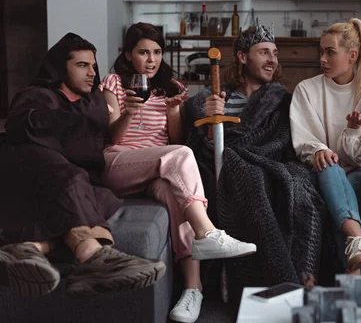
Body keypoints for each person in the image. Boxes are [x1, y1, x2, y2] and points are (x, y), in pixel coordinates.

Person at [101, 22, 256, 323]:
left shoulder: (170, 88)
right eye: (143, 52)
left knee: (176, 194)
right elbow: (112, 138)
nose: (151, 59)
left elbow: (172, 142)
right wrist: (129, 113)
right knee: (183, 157)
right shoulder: (114, 83)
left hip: (156, 169)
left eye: (157, 52)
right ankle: (208, 232)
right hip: (119, 163)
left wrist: (173, 112)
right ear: (128, 55)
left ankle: (192, 289)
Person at [0, 33, 165, 299]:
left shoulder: (93, 103)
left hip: (74, 181)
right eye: (82, 65)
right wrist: (90, 115)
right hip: (30, 172)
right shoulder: (37, 96)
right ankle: (93, 255)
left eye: (93, 66)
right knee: (72, 177)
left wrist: (118, 114)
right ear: (60, 67)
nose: (92, 73)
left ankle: (31, 247)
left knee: (102, 196)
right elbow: (23, 129)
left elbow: (98, 148)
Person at [184, 23, 329, 299]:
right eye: (263, 52)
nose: (272, 60)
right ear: (242, 57)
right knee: (248, 178)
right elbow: (198, 151)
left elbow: (283, 143)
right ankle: (279, 281)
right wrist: (208, 126)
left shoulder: (280, 100)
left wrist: (251, 157)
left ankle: (300, 276)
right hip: (226, 170)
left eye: (274, 53)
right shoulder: (214, 99)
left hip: (268, 165)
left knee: (296, 182)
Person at [290, 18, 361, 273]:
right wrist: (319, 149)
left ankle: (354, 256)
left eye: (330, 52)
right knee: (330, 167)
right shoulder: (306, 90)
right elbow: (304, 137)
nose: (322, 59)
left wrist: (353, 131)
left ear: (352, 56)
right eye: (322, 52)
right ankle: (356, 249)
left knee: (339, 192)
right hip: (325, 172)